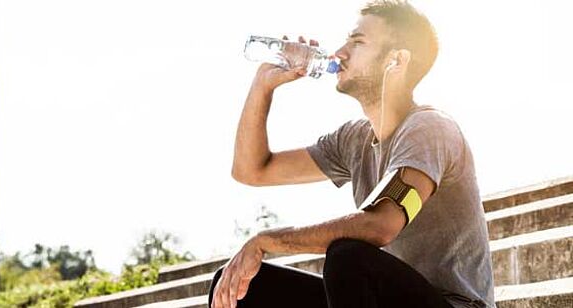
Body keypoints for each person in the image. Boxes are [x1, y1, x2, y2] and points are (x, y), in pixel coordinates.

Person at [209, 1, 495, 307]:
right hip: (390, 301)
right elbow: (251, 170)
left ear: (396, 61)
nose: (340, 52)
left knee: (348, 257)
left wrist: (268, 240)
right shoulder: (354, 140)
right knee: (241, 282)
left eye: (357, 42)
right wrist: (263, 85)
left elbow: (380, 225)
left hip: (454, 304)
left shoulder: (430, 129)